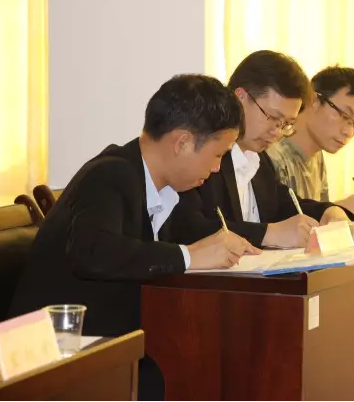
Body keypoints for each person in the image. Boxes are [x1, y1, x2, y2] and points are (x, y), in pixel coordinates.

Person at [8, 74, 260, 400]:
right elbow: (93, 252)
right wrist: (189, 256)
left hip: (116, 345)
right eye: (218, 155)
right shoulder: (110, 174)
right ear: (182, 143)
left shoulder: (172, 190)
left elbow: (202, 233)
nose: (216, 169)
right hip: (55, 359)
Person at [170, 50, 354, 249]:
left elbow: (285, 205)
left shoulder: (258, 160)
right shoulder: (203, 154)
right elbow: (189, 229)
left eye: (286, 124)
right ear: (241, 98)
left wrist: (329, 212)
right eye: (273, 118)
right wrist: (268, 234)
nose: (277, 132)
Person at [267, 66, 354, 217]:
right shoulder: (271, 155)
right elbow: (276, 225)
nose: (349, 132)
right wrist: (344, 208)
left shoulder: (316, 155)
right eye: (344, 116)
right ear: (314, 100)